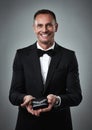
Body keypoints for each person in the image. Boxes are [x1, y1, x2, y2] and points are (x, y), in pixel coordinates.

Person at [9, 9, 82, 130]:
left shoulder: (69, 56)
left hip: (59, 124)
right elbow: (13, 94)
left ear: (56, 27)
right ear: (34, 28)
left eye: (49, 25)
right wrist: (24, 98)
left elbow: (76, 96)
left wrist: (57, 100)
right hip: (27, 124)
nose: (44, 30)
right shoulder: (21, 55)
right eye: (40, 25)